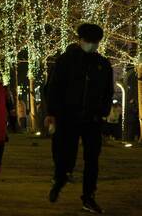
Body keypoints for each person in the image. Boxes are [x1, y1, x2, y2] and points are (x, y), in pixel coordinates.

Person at [46, 23, 114, 214]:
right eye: (89, 41)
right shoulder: (66, 60)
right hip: (68, 116)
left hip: (92, 119)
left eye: (95, 42)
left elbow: (108, 91)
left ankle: (89, 197)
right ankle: (60, 179)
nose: (92, 45)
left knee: (92, 159)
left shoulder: (103, 64)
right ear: (80, 40)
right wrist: (52, 113)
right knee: (65, 154)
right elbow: (54, 88)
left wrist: (103, 111)